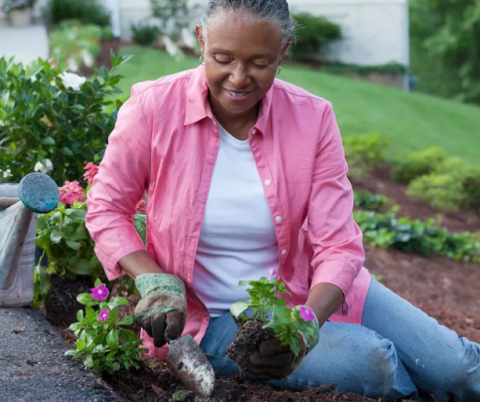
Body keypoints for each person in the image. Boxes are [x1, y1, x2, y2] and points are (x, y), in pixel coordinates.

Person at [85, 0, 480, 400]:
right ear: (201, 41)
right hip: (213, 319)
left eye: (259, 63)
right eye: (223, 58)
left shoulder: (312, 118)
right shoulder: (154, 108)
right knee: (374, 361)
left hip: (310, 291)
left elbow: (339, 244)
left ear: (284, 51)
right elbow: (106, 207)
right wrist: (152, 278)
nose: (238, 78)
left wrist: (306, 324)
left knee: (457, 368)